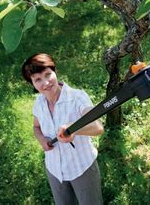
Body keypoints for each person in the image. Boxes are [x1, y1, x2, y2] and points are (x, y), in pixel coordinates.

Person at [22, 53, 104, 205]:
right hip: (54, 171)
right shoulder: (39, 103)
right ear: (32, 83)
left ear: (55, 72)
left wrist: (73, 129)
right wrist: (42, 140)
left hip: (82, 168)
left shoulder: (77, 97)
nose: (45, 82)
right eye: (37, 79)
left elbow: (97, 127)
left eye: (47, 74)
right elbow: (36, 127)